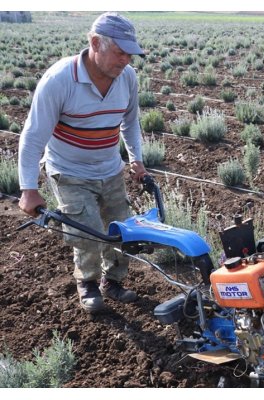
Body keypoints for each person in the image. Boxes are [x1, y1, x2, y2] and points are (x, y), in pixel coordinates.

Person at [18, 12, 149, 313]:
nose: (126, 60)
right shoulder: (60, 79)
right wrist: (28, 188)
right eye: (119, 52)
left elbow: (130, 123)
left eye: (130, 54)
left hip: (110, 168)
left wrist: (136, 160)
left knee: (121, 229)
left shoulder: (127, 78)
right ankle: (87, 283)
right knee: (86, 231)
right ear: (94, 43)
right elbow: (33, 137)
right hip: (70, 172)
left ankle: (113, 281)